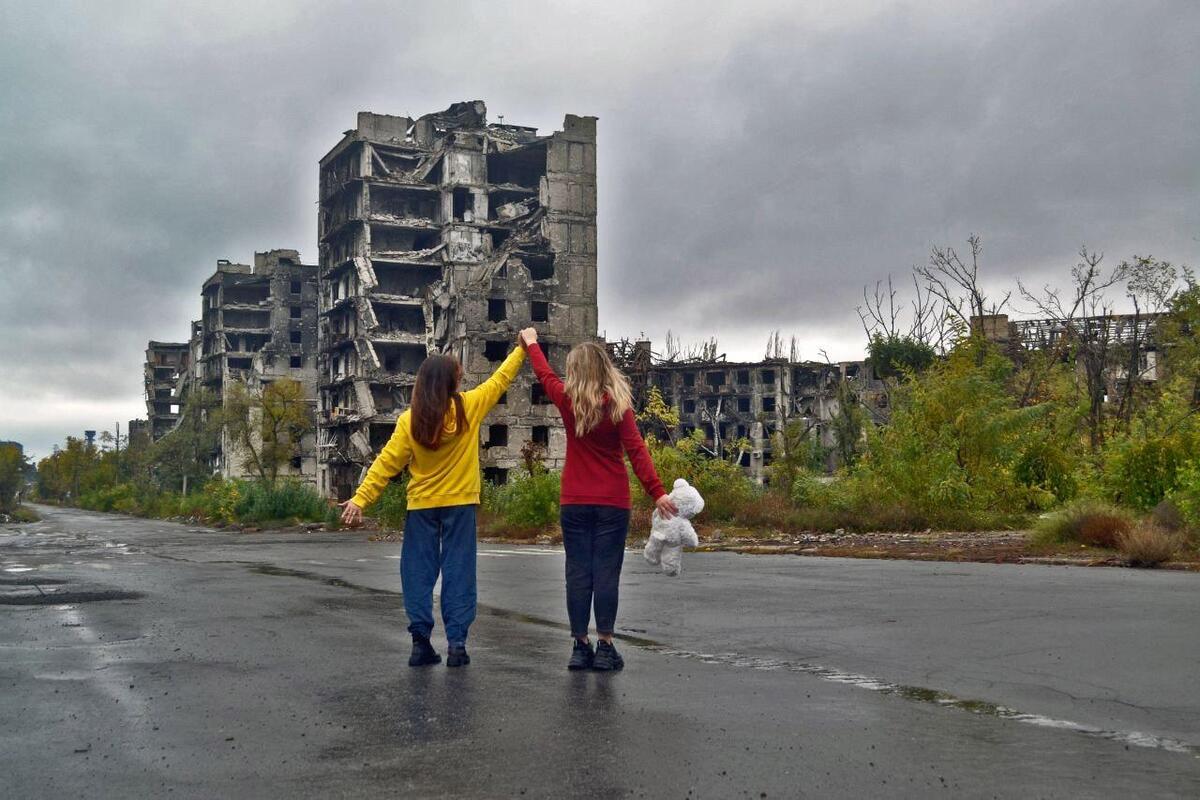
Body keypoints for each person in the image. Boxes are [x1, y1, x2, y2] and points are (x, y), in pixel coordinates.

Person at [339, 342, 525, 668]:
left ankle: (420, 643)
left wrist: (360, 499)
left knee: (417, 573)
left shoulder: (410, 421)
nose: (463, 381)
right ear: (451, 383)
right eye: (459, 377)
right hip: (461, 505)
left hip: (421, 508)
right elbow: (500, 380)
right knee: (459, 573)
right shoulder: (469, 408)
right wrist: (522, 349)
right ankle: (457, 646)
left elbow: (385, 465)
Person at [519, 329, 677, 671]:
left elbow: (544, 374)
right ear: (605, 369)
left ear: (576, 371)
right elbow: (636, 450)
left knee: (577, 572)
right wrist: (657, 491)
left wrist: (531, 343)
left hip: (574, 501)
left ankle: (580, 646)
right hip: (612, 502)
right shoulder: (619, 406)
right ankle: (605, 647)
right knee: (606, 573)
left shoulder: (566, 400)